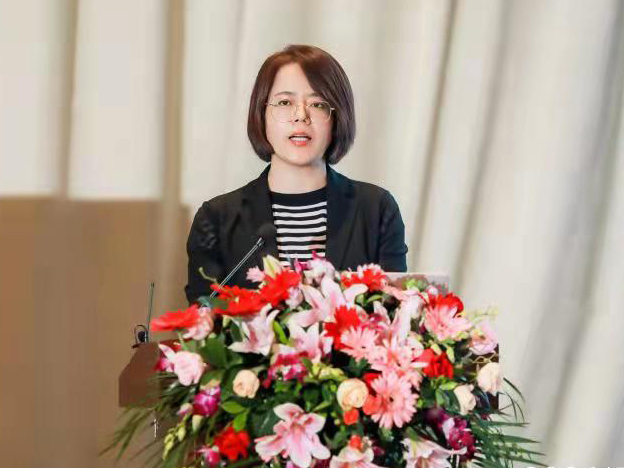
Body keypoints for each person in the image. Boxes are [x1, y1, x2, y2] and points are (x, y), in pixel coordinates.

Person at [184, 44, 408, 305]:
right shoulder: (216, 219)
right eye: (284, 102)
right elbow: (202, 319)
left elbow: (394, 311)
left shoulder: (376, 210)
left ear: (337, 117)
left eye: (318, 104)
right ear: (261, 114)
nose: (301, 116)